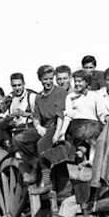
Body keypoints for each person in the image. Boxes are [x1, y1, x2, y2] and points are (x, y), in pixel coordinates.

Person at [21, 65, 67, 194]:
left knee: (41, 144)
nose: (48, 82)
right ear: (40, 79)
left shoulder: (59, 92)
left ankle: (46, 181)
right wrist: (38, 126)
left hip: (57, 124)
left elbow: (60, 115)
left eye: (50, 79)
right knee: (20, 139)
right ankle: (35, 164)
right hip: (44, 125)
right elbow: (36, 116)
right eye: (45, 79)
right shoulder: (39, 97)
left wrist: (56, 134)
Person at [2, 73, 37, 142]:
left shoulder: (31, 96)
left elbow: (40, 117)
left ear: (24, 84)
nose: (17, 88)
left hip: (30, 133)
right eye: (14, 86)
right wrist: (8, 119)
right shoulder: (9, 98)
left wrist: (25, 114)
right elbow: (2, 121)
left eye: (19, 85)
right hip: (15, 133)